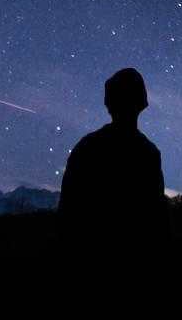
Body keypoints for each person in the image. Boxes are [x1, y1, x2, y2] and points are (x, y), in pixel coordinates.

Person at [56, 67, 170, 277]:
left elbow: (67, 213)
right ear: (141, 103)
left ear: (109, 103)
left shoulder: (88, 146)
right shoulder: (148, 153)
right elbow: (156, 220)